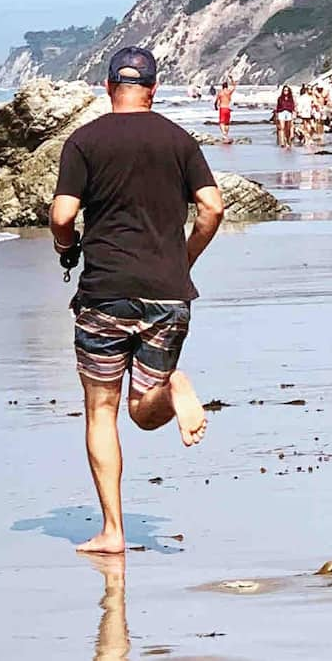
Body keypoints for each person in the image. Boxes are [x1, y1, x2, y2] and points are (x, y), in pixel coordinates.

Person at [50, 46, 226, 556]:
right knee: (144, 414)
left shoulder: (84, 141)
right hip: (168, 293)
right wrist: (183, 259)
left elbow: (63, 216)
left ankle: (113, 531)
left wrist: (67, 249)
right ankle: (172, 387)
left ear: (108, 87)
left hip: (105, 291)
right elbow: (212, 207)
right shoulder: (178, 139)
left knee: (102, 411)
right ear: (154, 90)